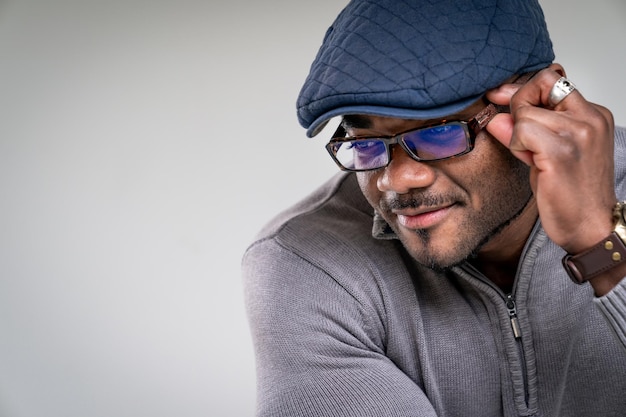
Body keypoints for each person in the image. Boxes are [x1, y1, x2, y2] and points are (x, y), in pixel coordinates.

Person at [242, 0, 626, 416]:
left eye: (440, 133)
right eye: (365, 143)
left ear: (542, 104)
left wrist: (600, 242)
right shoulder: (309, 262)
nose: (394, 180)